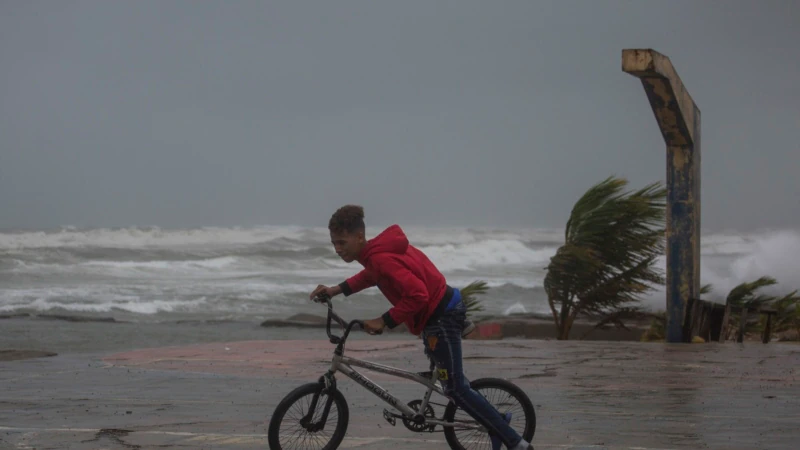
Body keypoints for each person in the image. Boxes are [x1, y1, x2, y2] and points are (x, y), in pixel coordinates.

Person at [310, 205, 533, 450]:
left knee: (456, 389)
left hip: (441, 316)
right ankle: (494, 417)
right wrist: (336, 290)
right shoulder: (375, 255)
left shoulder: (380, 258)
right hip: (438, 312)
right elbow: (369, 276)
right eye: (334, 243)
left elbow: (418, 295)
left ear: (360, 237)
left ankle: (516, 442)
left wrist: (385, 320)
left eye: (342, 242)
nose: (337, 249)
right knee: (453, 383)